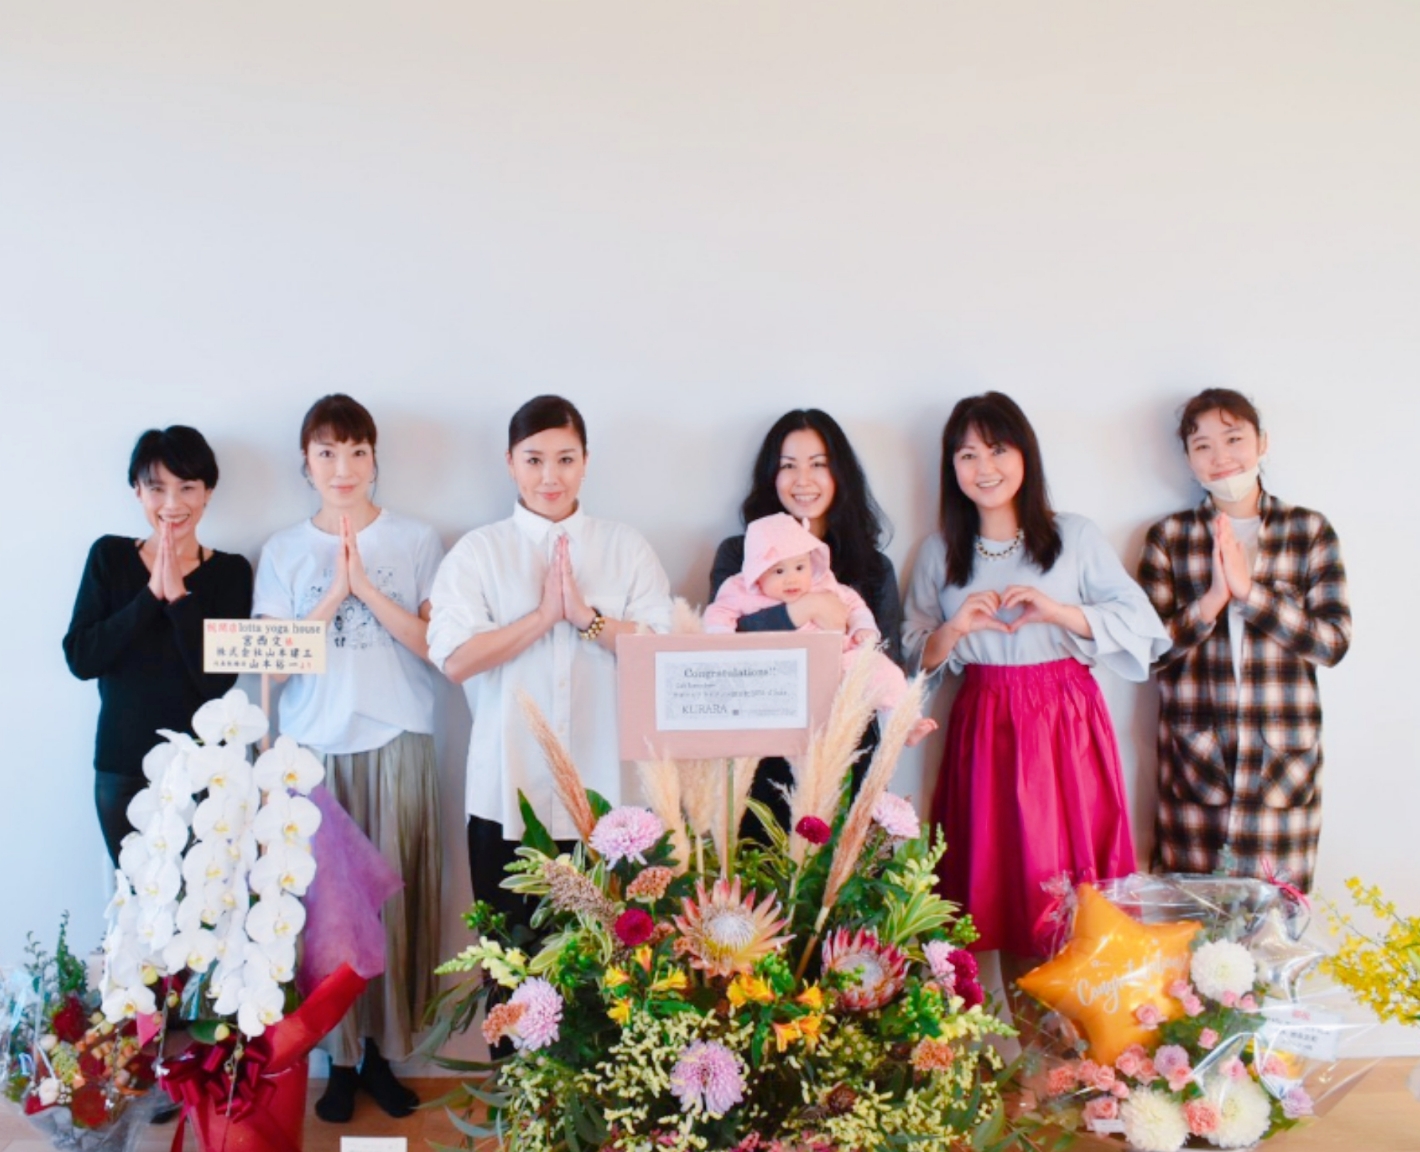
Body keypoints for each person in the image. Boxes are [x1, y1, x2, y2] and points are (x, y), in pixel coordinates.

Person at [902, 392, 1169, 990]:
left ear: (1025, 454)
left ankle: (1072, 1038)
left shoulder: (1073, 536)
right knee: (992, 888)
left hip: (1064, 722)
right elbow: (914, 656)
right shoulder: (940, 551)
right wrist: (955, 628)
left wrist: (1058, 611)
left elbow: (1142, 624)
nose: (984, 467)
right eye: (967, 455)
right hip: (984, 720)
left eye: (997, 449)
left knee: (1065, 893)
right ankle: (1015, 1037)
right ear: (951, 467)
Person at [253, 395, 443, 1123]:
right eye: (327, 452)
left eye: (357, 451)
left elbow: (436, 649)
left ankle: (382, 1057)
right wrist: (334, 594)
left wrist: (366, 587)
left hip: (398, 741)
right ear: (306, 463)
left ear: (374, 459)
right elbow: (272, 669)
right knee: (324, 912)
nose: (344, 467)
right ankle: (335, 1058)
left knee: (391, 906)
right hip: (312, 754)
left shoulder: (416, 539)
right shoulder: (282, 551)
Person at [427, 395, 672, 935]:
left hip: (612, 801)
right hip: (508, 799)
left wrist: (587, 618)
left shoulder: (626, 548)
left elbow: (664, 655)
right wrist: (542, 618)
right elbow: (455, 660)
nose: (549, 476)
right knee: (512, 965)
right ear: (510, 462)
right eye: (533, 459)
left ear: (585, 461)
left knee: (615, 971)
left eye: (565, 459)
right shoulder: (479, 552)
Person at [1139, 388, 1351, 893]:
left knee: (1276, 923)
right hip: (1197, 765)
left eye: (1233, 439)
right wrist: (1214, 598)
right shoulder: (1169, 537)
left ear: (1262, 443)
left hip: (1282, 767)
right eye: (1203, 446)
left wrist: (1251, 594)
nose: (1221, 457)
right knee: (1193, 920)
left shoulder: (1309, 531)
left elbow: (1333, 642)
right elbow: (1146, 653)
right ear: (1189, 459)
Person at [64, 426, 252, 866]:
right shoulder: (109, 557)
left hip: (202, 771)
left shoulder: (231, 572)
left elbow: (217, 682)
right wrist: (150, 597)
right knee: (135, 897)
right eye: (156, 488)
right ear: (138, 491)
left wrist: (180, 600)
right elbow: (82, 659)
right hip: (121, 767)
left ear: (208, 492)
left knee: (201, 900)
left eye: (187, 487)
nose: (172, 503)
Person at [709, 409, 903, 831]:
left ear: (840, 474)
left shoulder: (872, 567)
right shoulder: (739, 555)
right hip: (762, 755)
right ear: (771, 476)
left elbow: (887, 659)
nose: (803, 480)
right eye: (788, 466)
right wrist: (801, 610)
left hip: (847, 753)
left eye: (818, 464)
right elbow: (721, 653)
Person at [705, 512, 935, 746]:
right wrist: (721, 638)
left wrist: (862, 626)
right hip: (781, 674)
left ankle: (903, 725)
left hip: (838, 660)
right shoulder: (741, 590)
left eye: (800, 567)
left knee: (886, 674)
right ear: (757, 572)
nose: (792, 579)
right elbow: (718, 613)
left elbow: (854, 604)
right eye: (778, 571)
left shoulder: (822, 582)